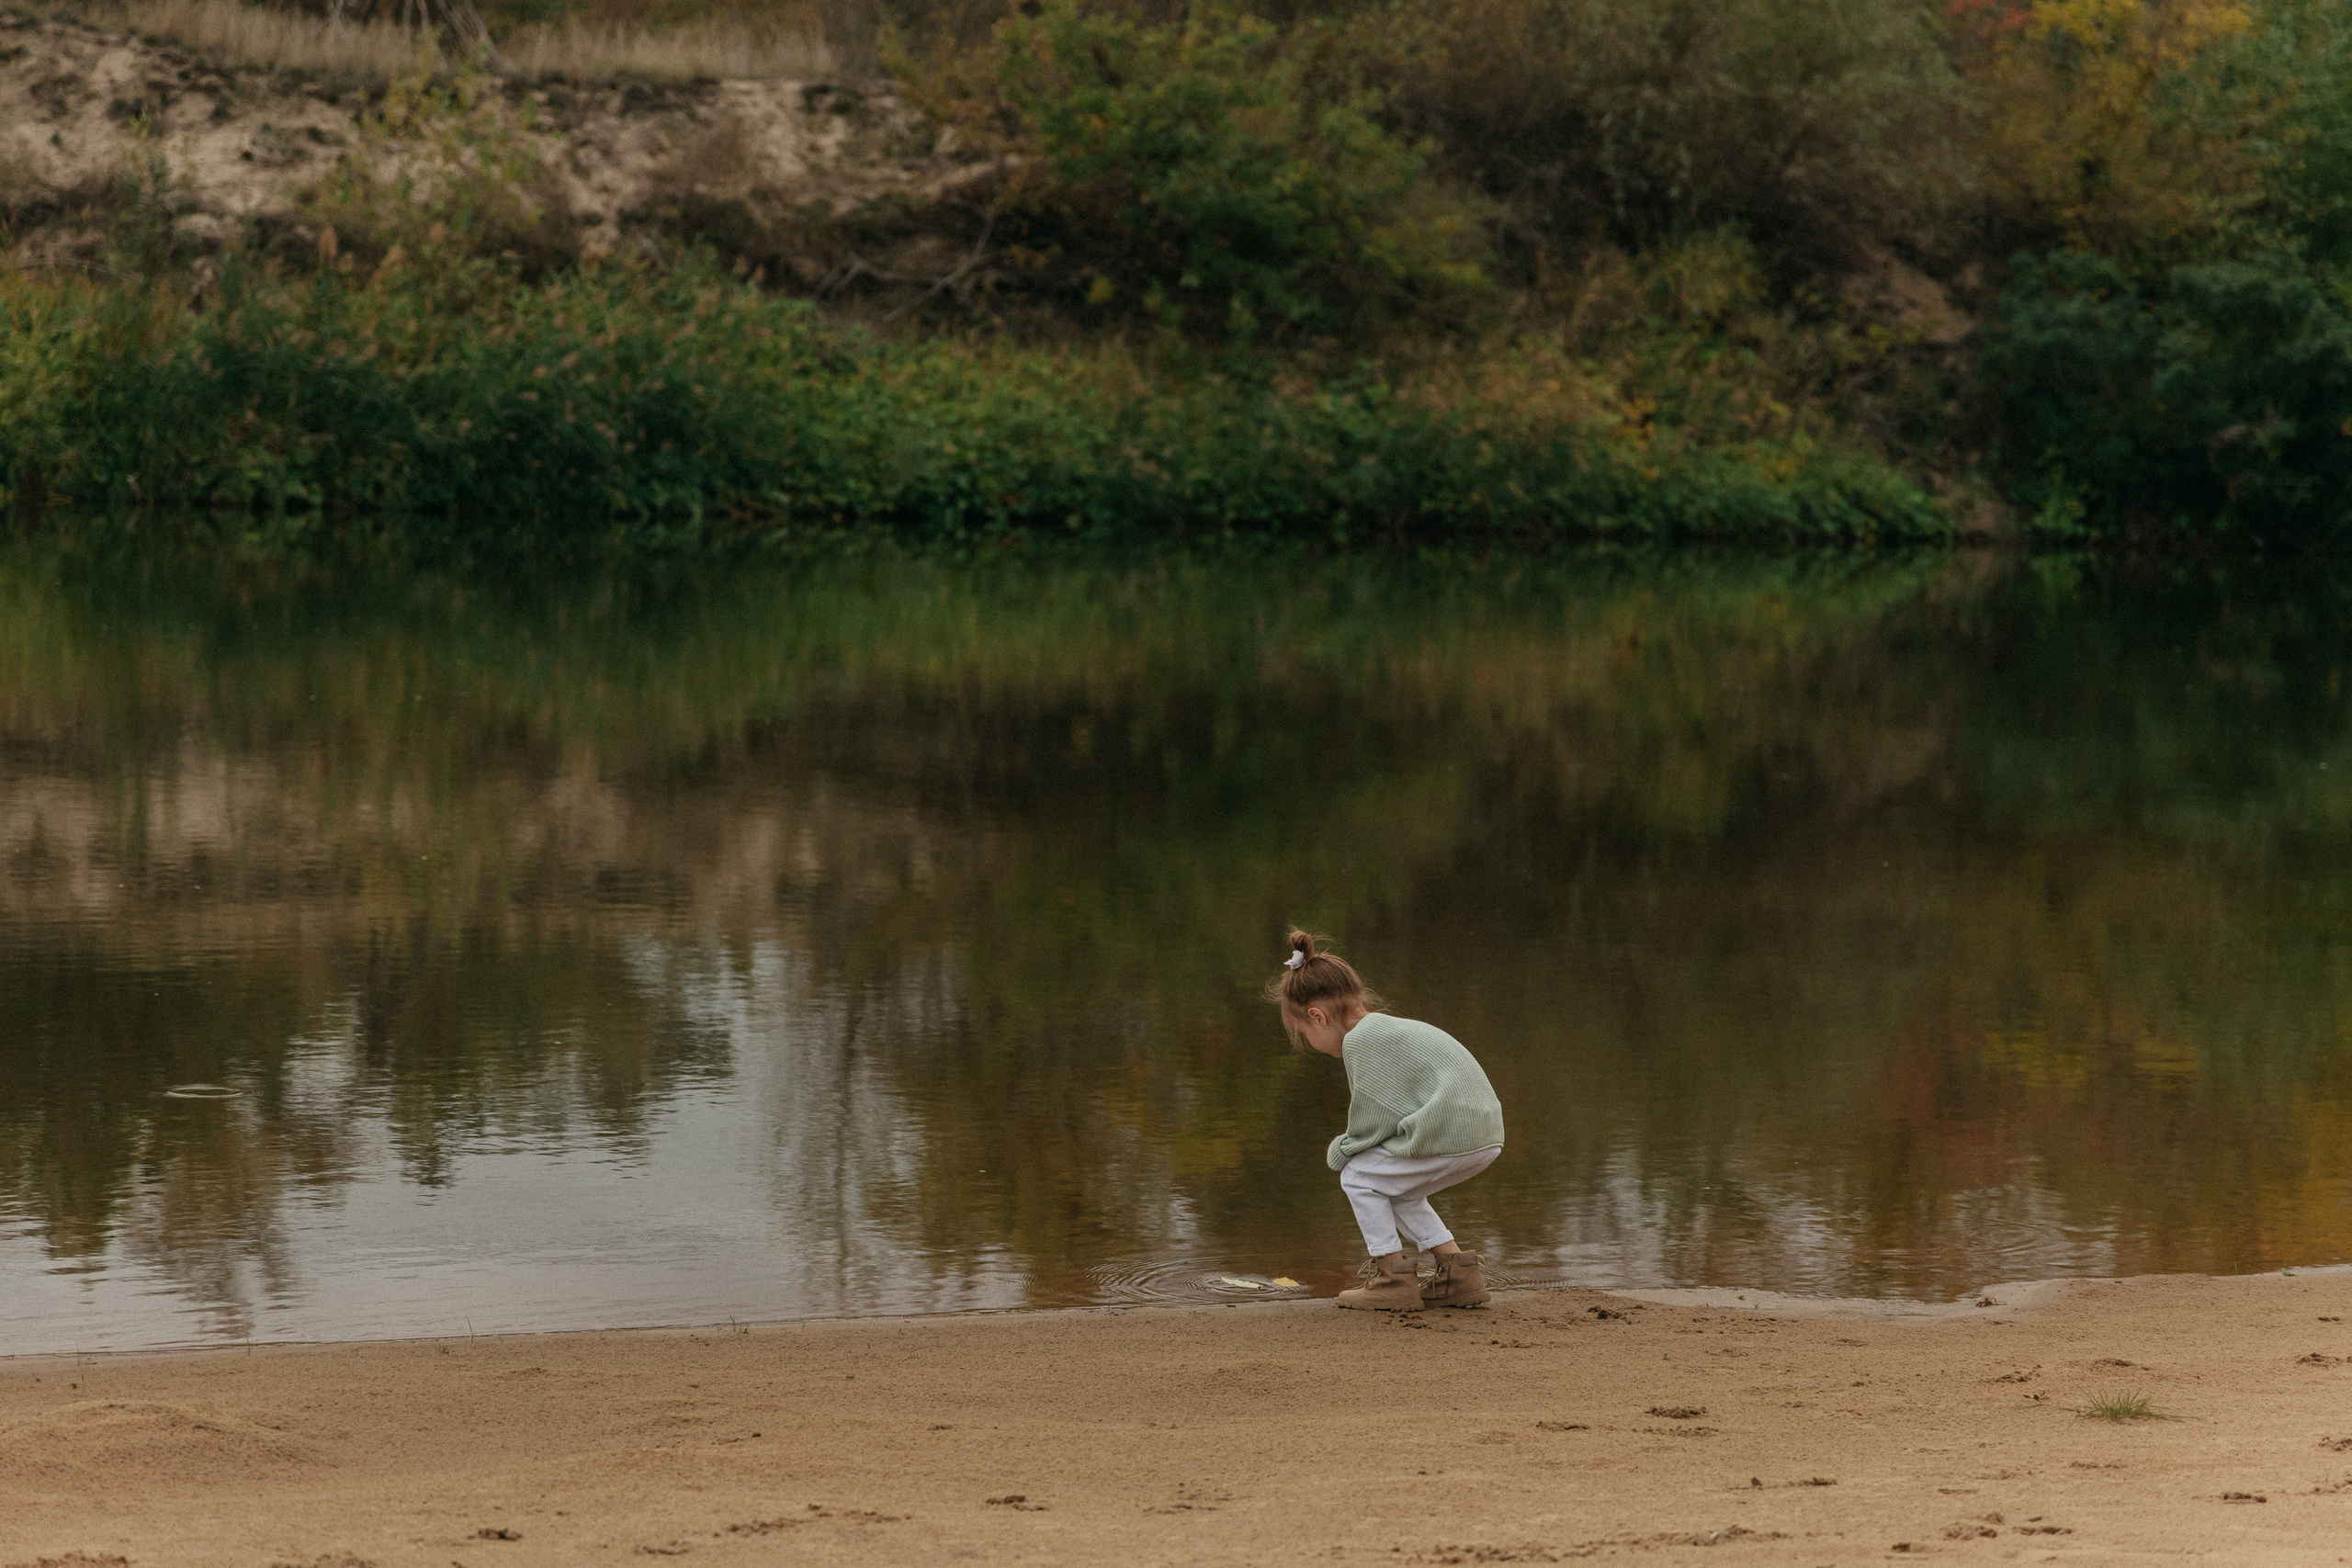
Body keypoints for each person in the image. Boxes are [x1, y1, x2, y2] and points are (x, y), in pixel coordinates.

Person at [1268, 930, 1505, 1310]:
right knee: (1394, 1188)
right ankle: (1458, 1273)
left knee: (1358, 1176)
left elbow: (1372, 1120)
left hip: (1454, 1132)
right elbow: (1393, 1112)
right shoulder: (1388, 1029)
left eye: (1304, 1032)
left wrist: (1343, 1149)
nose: (1308, 1041)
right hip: (1483, 1133)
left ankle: (1392, 1278)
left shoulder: (1361, 1040)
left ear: (1317, 1016)